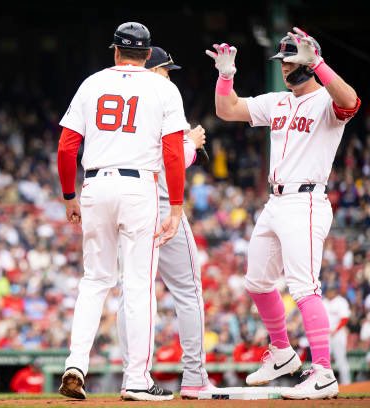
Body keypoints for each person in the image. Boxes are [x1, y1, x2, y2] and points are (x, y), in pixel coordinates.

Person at [206, 26, 360, 400]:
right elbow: (227, 109)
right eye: (284, 62)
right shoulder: (278, 101)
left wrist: (319, 64)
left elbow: (351, 101)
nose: (286, 68)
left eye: (291, 61)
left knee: (304, 287)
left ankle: (323, 372)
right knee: (256, 281)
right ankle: (282, 353)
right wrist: (226, 77)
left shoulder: (326, 101)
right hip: (275, 203)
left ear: (308, 62)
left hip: (306, 201)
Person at [57, 22, 188, 401]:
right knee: (137, 284)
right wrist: (176, 206)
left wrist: (69, 196)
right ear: (148, 55)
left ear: (115, 51)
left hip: (95, 184)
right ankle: (135, 378)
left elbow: (67, 148)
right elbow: (174, 151)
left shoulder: (92, 83)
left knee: (94, 280)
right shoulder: (163, 87)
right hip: (138, 187)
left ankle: (75, 364)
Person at [115, 46, 220, 400]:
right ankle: (194, 377)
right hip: (159, 206)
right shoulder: (160, 98)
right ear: (152, 68)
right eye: (166, 70)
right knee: (188, 291)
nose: (169, 76)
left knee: (131, 291)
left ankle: (134, 375)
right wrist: (190, 144)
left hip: (126, 205)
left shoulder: (118, 96)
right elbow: (169, 161)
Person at [323, 282, 351, 385]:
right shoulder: (324, 302)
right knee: (324, 360)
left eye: (331, 290)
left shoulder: (341, 301)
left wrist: (336, 330)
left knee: (341, 359)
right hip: (326, 334)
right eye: (328, 291)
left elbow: (345, 318)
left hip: (338, 334)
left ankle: (346, 384)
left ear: (335, 291)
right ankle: (325, 383)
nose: (329, 292)